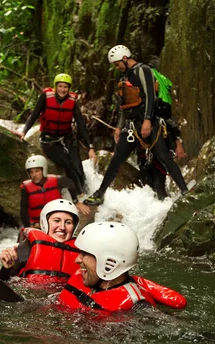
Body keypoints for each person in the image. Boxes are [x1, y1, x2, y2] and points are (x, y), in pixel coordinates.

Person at [84, 45, 188, 206]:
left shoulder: (143, 70)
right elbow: (124, 107)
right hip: (132, 124)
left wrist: (147, 120)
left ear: (125, 58)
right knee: (117, 158)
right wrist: (119, 127)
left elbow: (151, 97)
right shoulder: (125, 78)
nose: (116, 67)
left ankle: (185, 191)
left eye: (117, 64)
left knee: (165, 158)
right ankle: (100, 192)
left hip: (149, 122)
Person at [57, 221, 187, 312]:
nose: (77, 260)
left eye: (85, 253)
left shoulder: (137, 307)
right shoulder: (84, 278)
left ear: (110, 262)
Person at [12, 73, 96, 194]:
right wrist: (24, 132)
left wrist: (90, 147)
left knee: (78, 167)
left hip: (67, 139)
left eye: (65, 87)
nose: (62, 89)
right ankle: (78, 195)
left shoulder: (72, 102)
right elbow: (34, 115)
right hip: (49, 140)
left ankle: (87, 193)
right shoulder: (45, 97)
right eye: (60, 86)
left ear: (69, 89)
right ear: (55, 87)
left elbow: (81, 124)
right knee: (68, 165)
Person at [0, 199, 81, 283]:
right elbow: (1, 282)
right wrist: (7, 269)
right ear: (45, 222)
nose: (62, 227)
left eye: (68, 222)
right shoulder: (27, 248)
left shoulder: (82, 256)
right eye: (56, 220)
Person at [21, 154, 90, 228]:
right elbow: (23, 210)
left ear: (43, 170)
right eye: (31, 172)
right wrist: (27, 227)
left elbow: (71, 184)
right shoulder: (25, 188)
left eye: (37, 171)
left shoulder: (57, 180)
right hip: (37, 225)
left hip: (57, 222)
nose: (34, 175)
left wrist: (76, 202)